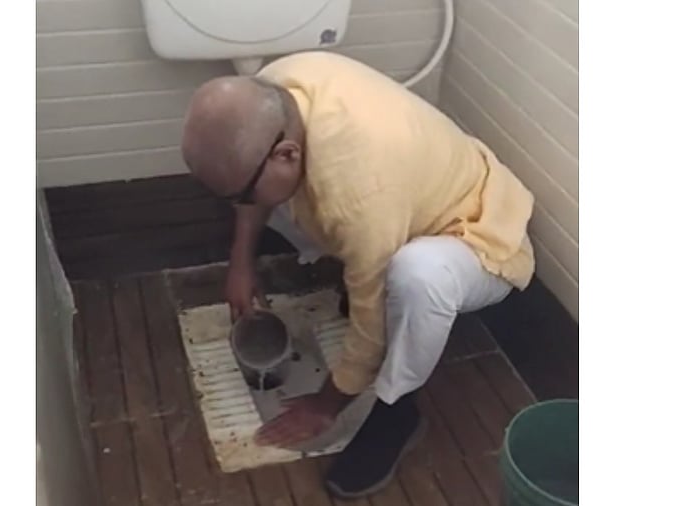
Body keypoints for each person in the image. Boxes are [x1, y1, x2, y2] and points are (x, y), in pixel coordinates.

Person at [181, 51, 535, 499]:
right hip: (408, 201)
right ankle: (371, 270)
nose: (242, 204)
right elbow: (252, 185)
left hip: (480, 233)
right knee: (276, 197)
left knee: (415, 277)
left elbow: (370, 325)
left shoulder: (359, 195)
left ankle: (396, 415)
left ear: (287, 153)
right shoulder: (275, 89)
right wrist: (241, 261)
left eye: (243, 196)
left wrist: (327, 404)